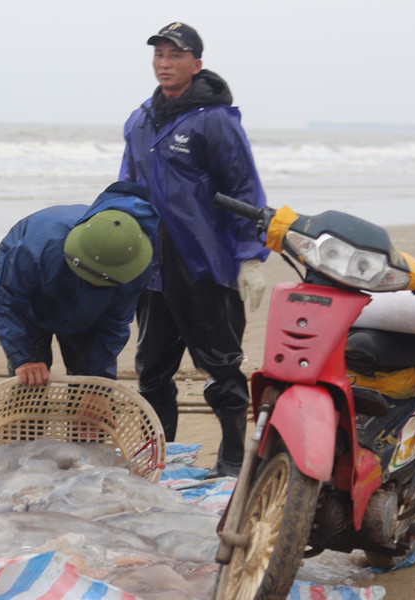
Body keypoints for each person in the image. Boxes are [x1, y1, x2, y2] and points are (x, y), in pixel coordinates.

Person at [119, 21, 269, 478]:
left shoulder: (215, 120)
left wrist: (250, 255)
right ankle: (156, 459)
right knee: (151, 371)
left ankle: (232, 459)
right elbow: (126, 187)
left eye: (175, 55)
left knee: (221, 367)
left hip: (204, 263)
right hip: (152, 265)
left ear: (196, 63)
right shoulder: (140, 120)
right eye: (159, 55)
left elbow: (244, 188)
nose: (164, 63)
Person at [0, 181, 160, 387]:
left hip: (89, 313)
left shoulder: (134, 267)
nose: (97, 285)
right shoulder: (36, 251)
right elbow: (5, 300)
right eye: (92, 278)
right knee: (31, 378)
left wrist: (95, 383)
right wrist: (22, 357)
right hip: (31, 298)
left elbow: (113, 325)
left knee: (93, 385)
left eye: (105, 281)